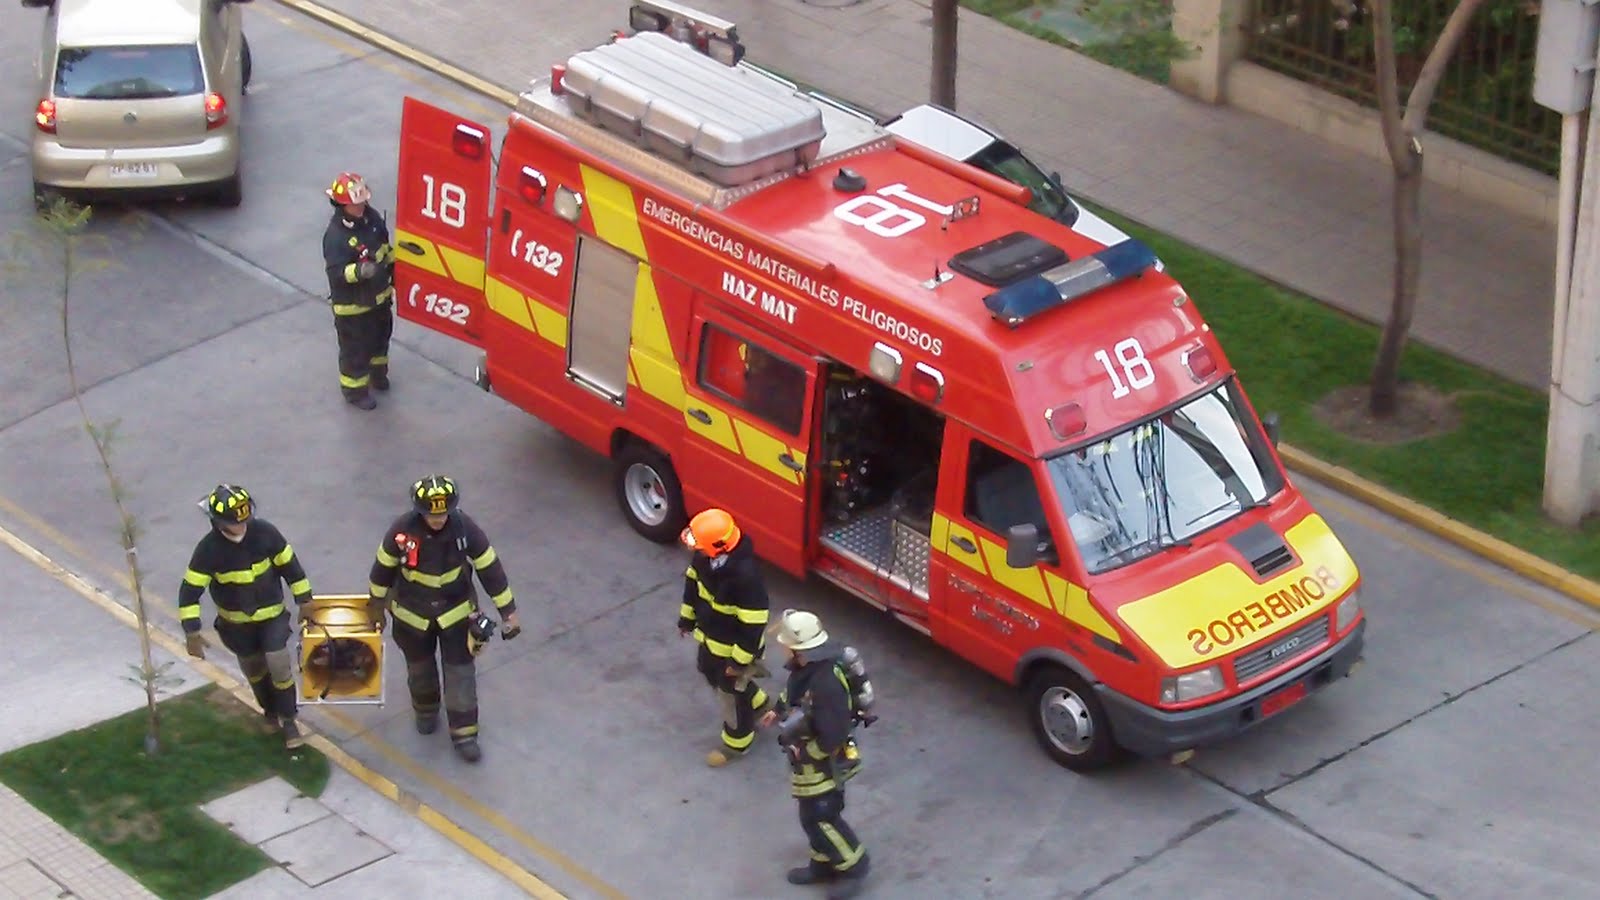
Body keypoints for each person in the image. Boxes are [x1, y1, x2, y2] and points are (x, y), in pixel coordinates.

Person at [369, 475, 521, 762]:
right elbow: (382, 570)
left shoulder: (465, 529)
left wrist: (508, 612)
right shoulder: (401, 531)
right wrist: (375, 607)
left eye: (442, 514)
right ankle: (425, 711)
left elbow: (490, 569)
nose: (438, 519)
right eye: (431, 514)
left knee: (460, 675)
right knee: (420, 670)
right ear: (419, 511)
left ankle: (465, 735)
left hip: (456, 617)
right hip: (412, 618)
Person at [178, 484, 313, 750]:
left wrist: (305, 601)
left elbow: (292, 568)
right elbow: (189, 593)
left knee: (279, 665)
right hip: (236, 627)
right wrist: (192, 631)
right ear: (218, 522)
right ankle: (269, 712)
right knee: (255, 671)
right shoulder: (208, 550)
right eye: (235, 522)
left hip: (273, 619)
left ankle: (289, 720)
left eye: (245, 519)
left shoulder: (266, 533)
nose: (241, 526)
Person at [760, 609, 870, 898]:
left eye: (786, 643)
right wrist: (777, 711)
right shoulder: (805, 671)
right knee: (810, 816)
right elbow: (792, 696)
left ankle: (853, 865)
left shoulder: (827, 683)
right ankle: (822, 863)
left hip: (824, 766)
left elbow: (833, 734)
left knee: (822, 816)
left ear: (799, 647)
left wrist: (806, 750)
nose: (782, 647)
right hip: (806, 763)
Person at [678, 508, 771, 767]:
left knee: (730, 693)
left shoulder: (746, 578)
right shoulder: (703, 559)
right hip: (711, 640)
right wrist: (686, 619)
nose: (693, 547)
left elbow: (753, 626)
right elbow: (691, 587)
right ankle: (759, 702)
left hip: (734, 650)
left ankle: (737, 742)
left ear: (718, 546)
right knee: (708, 671)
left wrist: (739, 663)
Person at [322, 172, 395, 410]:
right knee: (355, 349)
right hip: (352, 307)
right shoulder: (335, 237)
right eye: (355, 203)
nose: (360, 206)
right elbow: (336, 273)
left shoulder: (372, 219)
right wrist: (360, 271)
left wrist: (395, 269)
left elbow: (385, 247)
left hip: (379, 298)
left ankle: (378, 374)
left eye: (362, 200)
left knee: (380, 338)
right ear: (342, 205)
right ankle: (355, 391)